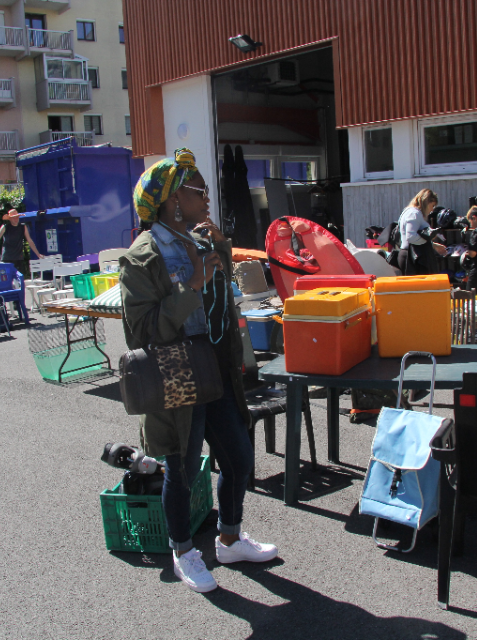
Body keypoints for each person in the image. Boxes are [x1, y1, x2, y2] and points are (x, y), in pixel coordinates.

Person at [119, 148, 277, 593]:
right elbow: (142, 331)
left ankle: (228, 538)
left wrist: (222, 248)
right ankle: (184, 551)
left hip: (218, 370)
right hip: (178, 376)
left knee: (239, 458)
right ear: (172, 200)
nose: (206, 197)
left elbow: (225, 305)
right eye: (197, 190)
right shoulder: (141, 257)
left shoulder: (204, 240)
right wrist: (191, 285)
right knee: (183, 470)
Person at [396, 189, 447, 275]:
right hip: (411, 259)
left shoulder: (410, 212)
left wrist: (433, 245)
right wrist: (427, 240)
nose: (432, 210)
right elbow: (411, 237)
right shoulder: (414, 213)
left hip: (410, 255)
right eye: (432, 205)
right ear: (426, 202)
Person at [0, 209, 44, 274]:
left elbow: (29, 240)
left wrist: (38, 254)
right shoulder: (5, 227)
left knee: (19, 277)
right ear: (10, 219)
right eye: (14, 218)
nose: (16, 219)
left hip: (18, 257)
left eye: (17, 217)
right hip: (7, 257)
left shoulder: (23, 227)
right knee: (8, 277)